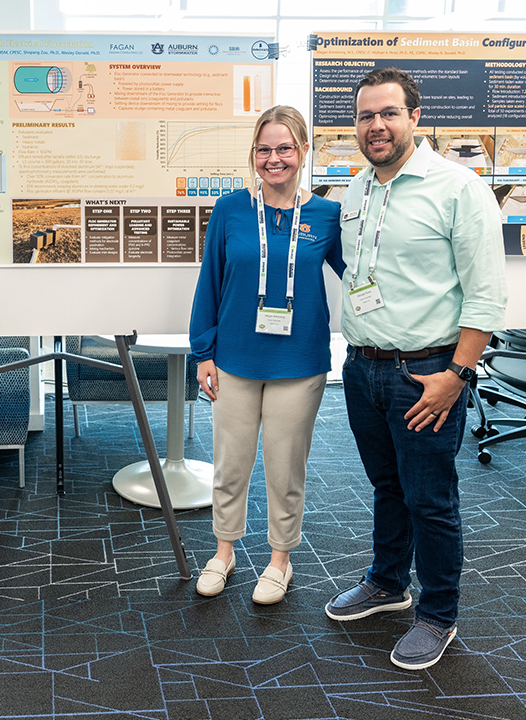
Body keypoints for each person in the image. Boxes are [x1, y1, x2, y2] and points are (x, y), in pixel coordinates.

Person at [323, 68, 507, 670]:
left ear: (415, 117)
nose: (375, 126)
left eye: (388, 113)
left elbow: (486, 296)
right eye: (364, 116)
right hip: (362, 369)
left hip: (428, 372)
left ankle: (438, 614)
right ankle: (387, 583)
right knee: (387, 487)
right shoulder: (355, 190)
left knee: (430, 499)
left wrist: (458, 374)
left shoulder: (458, 188)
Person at [188, 105, 344, 605]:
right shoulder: (230, 209)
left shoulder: (326, 215)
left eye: (284, 148)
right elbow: (209, 283)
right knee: (230, 463)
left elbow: (362, 275)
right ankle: (224, 551)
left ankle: (280, 559)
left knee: (284, 466)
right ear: (253, 155)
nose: (274, 158)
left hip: (298, 362)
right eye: (264, 149)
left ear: (302, 152)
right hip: (234, 357)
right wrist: (203, 351)